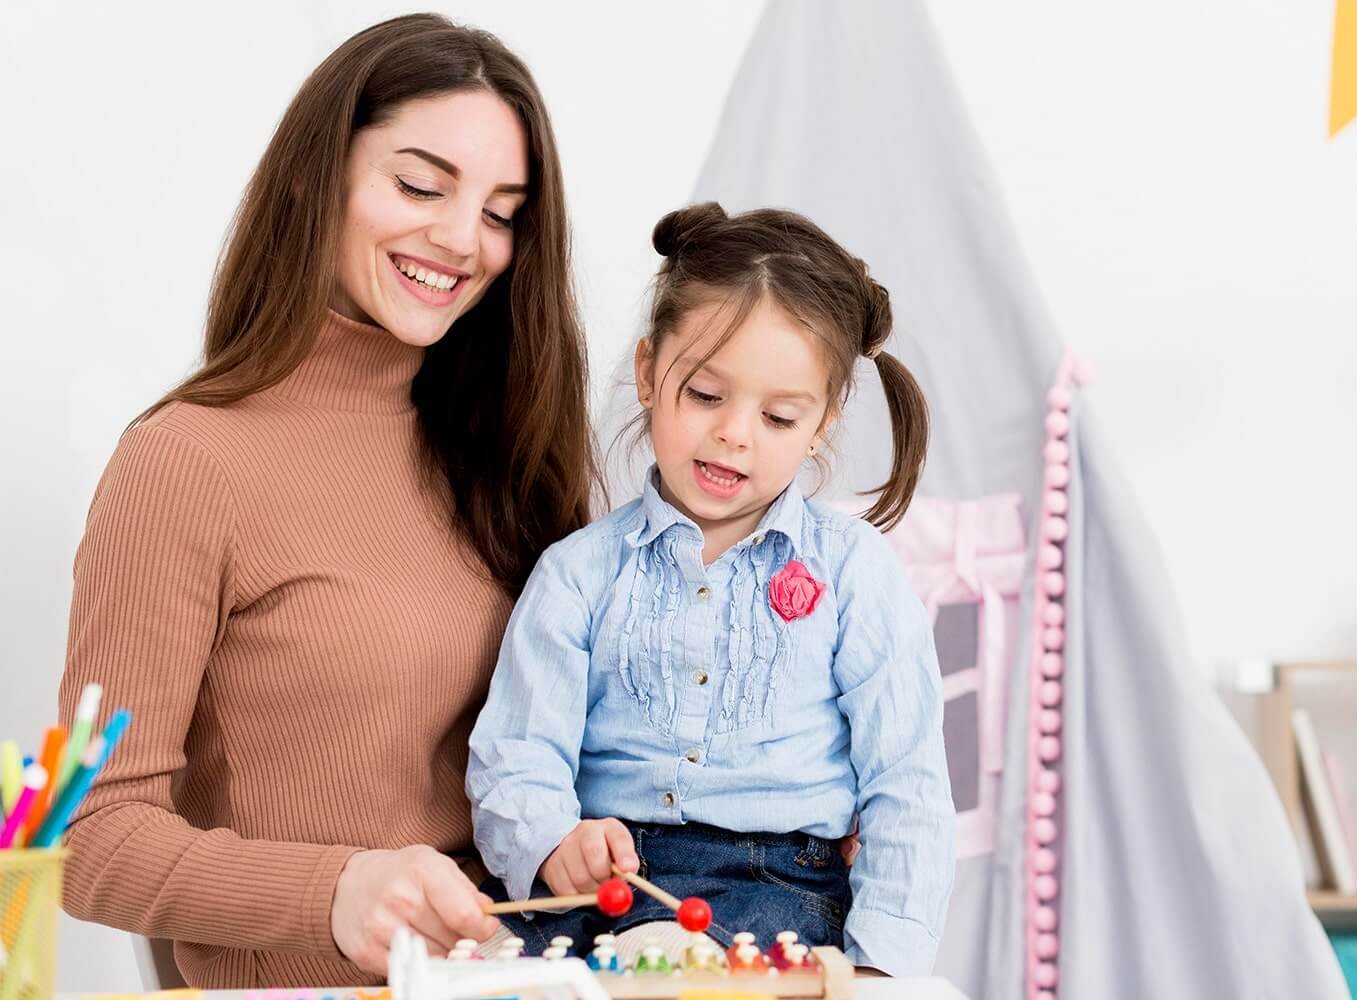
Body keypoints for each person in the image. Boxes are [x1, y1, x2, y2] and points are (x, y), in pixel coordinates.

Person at [55, 14, 596, 987]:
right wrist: (333, 891)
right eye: (421, 186)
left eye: (501, 212)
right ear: (317, 176)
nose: (461, 238)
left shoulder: (508, 453)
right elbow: (89, 839)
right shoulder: (184, 462)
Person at [467, 202, 955, 977]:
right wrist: (554, 842)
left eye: (779, 416)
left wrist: (879, 969)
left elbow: (908, 783)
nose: (735, 433)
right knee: (477, 970)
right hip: (608, 882)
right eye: (705, 395)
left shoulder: (855, 572)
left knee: (680, 973)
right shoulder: (577, 572)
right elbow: (518, 750)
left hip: (778, 889)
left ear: (822, 424)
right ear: (648, 373)